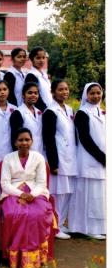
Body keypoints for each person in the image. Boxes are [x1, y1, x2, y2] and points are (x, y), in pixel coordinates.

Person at [0, 128, 54, 268]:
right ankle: (14, 255)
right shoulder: (8, 158)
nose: (24, 143)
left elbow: (42, 182)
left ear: (32, 141)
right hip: (13, 192)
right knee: (14, 214)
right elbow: (5, 183)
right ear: (15, 142)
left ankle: (35, 255)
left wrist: (32, 195)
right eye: (21, 140)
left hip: (36, 191)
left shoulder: (39, 157)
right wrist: (20, 194)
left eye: (27, 140)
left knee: (37, 214)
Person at [68, 83, 106, 240]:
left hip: (101, 160)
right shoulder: (83, 113)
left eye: (98, 93)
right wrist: (101, 157)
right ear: (86, 95)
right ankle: (86, 227)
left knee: (99, 195)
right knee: (89, 195)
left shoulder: (101, 111)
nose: (96, 96)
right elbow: (85, 138)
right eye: (92, 93)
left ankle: (99, 226)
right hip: (90, 159)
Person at [42, 80, 77, 240]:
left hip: (71, 156)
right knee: (58, 193)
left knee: (68, 192)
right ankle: (54, 225)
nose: (64, 92)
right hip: (59, 157)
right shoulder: (50, 111)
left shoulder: (69, 109)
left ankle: (61, 223)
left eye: (66, 89)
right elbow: (48, 138)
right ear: (53, 92)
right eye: (60, 89)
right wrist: (53, 163)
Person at [9, 82, 44, 155]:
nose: (33, 95)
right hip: (24, 154)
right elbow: (15, 138)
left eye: (36, 93)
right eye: (30, 93)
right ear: (23, 95)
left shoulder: (39, 112)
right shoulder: (18, 113)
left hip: (40, 153)